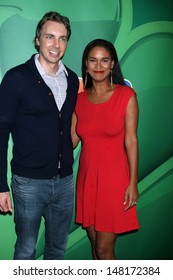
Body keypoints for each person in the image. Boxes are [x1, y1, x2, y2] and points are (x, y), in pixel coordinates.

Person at [0, 11, 79, 260]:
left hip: (65, 181)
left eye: (63, 38)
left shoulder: (73, 80)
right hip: (28, 183)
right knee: (26, 249)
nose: (56, 45)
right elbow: (1, 133)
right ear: (37, 40)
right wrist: (1, 185)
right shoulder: (16, 78)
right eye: (50, 37)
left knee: (57, 249)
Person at [71, 39, 139, 260]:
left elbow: (131, 141)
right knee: (94, 246)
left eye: (104, 60)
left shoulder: (126, 96)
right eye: (93, 60)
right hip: (87, 180)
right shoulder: (79, 100)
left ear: (112, 65)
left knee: (103, 249)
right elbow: (71, 141)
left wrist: (132, 182)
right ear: (86, 65)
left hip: (114, 181)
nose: (98, 66)